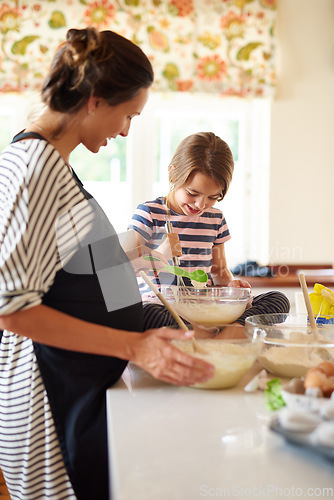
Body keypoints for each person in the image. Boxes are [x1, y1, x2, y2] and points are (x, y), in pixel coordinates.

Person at [0, 28, 214, 500]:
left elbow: (71, 266)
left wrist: (139, 260)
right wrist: (134, 346)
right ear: (95, 100)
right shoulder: (34, 170)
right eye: (128, 115)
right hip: (50, 402)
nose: (125, 130)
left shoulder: (53, 164)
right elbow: (12, 309)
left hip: (78, 387)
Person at [128, 132, 290, 330]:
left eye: (213, 197)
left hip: (205, 308)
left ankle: (220, 332)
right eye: (192, 193)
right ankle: (220, 333)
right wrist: (160, 254)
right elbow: (123, 267)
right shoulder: (149, 212)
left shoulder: (215, 218)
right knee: (147, 313)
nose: (200, 204)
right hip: (165, 306)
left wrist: (231, 286)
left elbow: (219, 271)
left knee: (278, 300)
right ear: (173, 173)